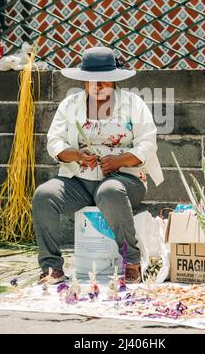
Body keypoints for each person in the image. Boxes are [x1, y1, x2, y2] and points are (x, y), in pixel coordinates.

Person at [32, 46, 164, 284]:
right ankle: (52, 268)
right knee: (44, 195)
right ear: (84, 82)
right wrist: (74, 154)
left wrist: (118, 161)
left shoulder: (133, 103)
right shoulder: (70, 104)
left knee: (109, 191)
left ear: (114, 81)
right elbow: (54, 141)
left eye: (104, 81)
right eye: (91, 81)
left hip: (125, 180)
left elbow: (147, 145)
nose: (97, 85)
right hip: (79, 182)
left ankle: (131, 262)